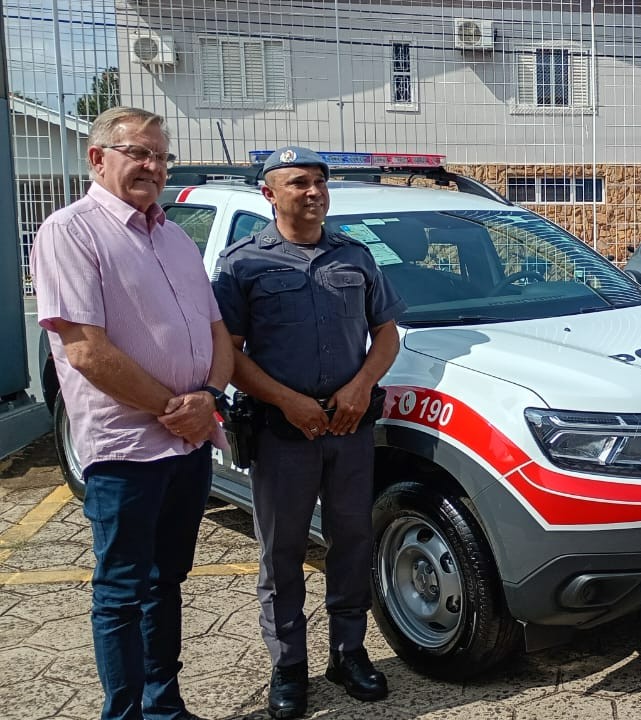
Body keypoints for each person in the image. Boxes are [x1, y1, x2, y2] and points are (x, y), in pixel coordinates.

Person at [32, 106, 233, 720]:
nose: (153, 166)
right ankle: (125, 714)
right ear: (98, 158)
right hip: (127, 448)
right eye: (139, 153)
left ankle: (164, 706)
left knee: (166, 579)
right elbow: (86, 350)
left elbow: (219, 333)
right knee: (121, 591)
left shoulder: (172, 235)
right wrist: (179, 409)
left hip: (188, 444)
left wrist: (211, 400)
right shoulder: (71, 231)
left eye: (161, 156)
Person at [211, 146, 404, 719]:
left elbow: (387, 334)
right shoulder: (242, 263)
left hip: (347, 428)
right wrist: (289, 401)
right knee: (283, 552)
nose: (315, 191)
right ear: (270, 194)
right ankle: (288, 664)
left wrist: (361, 386)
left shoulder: (355, 256)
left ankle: (348, 653)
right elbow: (230, 354)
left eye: (320, 182)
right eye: (299, 183)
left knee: (352, 544)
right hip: (282, 432)